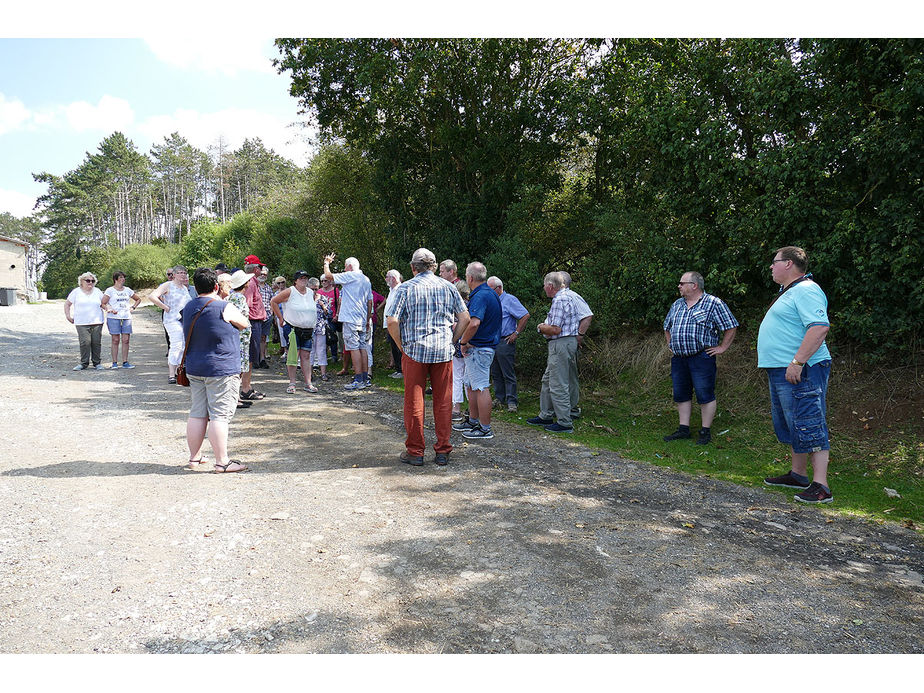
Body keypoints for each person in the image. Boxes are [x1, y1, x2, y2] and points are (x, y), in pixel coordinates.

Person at [759, 246, 834, 504]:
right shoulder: (790, 292)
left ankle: (821, 486)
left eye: (774, 261)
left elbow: (819, 327)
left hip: (804, 368)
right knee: (794, 423)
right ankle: (798, 475)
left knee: (809, 421)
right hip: (784, 368)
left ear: (789, 263)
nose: (771, 266)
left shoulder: (806, 290)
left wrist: (798, 361)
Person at [386, 247, 469, 466]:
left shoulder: (405, 288)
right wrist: (452, 340)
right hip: (442, 351)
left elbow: (392, 321)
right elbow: (465, 318)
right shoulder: (448, 287)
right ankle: (442, 451)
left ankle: (415, 451)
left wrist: (400, 344)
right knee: (443, 402)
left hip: (414, 351)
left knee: (414, 401)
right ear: (434, 266)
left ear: (413, 268)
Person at [181, 267, 250, 473]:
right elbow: (244, 324)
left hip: (195, 367)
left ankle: (194, 458)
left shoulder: (188, 307)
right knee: (219, 415)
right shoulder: (224, 306)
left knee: (197, 413)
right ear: (216, 286)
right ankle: (222, 462)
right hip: (221, 368)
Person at [662, 271, 739, 445]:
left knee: (705, 393)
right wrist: (671, 345)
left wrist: (722, 347)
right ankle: (683, 429)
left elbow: (731, 326)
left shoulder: (713, 303)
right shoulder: (677, 305)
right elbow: (667, 326)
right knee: (681, 394)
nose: (679, 286)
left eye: (682, 283)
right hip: (679, 358)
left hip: (702, 357)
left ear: (694, 285)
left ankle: (705, 431)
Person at [528, 271, 585, 433]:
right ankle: (546, 414)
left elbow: (555, 329)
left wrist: (540, 327)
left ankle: (564, 422)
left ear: (550, 286)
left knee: (558, 383)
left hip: (560, 344)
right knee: (548, 379)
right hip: (565, 343)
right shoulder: (568, 296)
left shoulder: (560, 300)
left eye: (545, 285)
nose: (544, 288)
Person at [452, 262, 502, 440]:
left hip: (479, 348)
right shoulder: (490, 293)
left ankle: (485, 428)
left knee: (481, 387)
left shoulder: (480, 295)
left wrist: (463, 342)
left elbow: (474, 323)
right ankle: (473, 421)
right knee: (470, 385)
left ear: (470, 278)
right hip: (482, 347)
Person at [323, 254, 373, 390]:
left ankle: (358, 379)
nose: (344, 270)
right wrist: (368, 319)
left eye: (345, 267)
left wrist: (326, 263)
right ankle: (364, 377)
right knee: (362, 347)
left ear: (349, 267)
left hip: (351, 318)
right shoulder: (366, 279)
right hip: (361, 318)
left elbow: (328, 276)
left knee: (353, 347)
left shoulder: (351, 276)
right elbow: (370, 301)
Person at [487, 276, 530, 413]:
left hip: (505, 340)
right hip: (492, 341)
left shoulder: (509, 299)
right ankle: (499, 398)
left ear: (499, 288)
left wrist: (516, 333)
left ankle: (512, 401)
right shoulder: (491, 301)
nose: (488, 292)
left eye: (491, 289)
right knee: (495, 372)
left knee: (507, 372)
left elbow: (524, 315)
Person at [271, 271, 319, 393]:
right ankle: (292, 383)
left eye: (305, 278)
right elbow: (274, 301)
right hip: (292, 328)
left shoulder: (310, 292)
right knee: (293, 355)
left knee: (306, 355)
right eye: (301, 278)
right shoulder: (290, 291)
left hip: (307, 329)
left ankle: (308, 383)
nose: (303, 280)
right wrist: (280, 318)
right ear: (295, 280)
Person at [149, 266, 192, 383]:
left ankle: (180, 371)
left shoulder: (184, 288)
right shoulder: (167, 285)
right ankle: (171, 374)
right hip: (172, 320)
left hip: (184, 320)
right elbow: (152, 296)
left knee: (184, 345)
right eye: (179, 273)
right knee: (176, 344)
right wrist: (165, 307)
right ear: (174, 274)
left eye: (184, 273)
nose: (182, 275)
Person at [64, 272, 106, 371]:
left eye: (92, 281)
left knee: (96, 342)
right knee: (85, 342)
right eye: (87, 280)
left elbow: (104, 303)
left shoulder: (98, 291)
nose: (90, 282)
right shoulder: (76, 292)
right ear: (81, 282)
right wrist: (68, 316)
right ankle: (84, 363)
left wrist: (110, 309)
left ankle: (97, 363)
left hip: (97, 321)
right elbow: (67, 304)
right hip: (81, 322)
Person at [101, 271, 142, 369]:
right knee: (115, 340)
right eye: (121, 277)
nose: (123, 279)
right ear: (116, 279)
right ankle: (114, 362)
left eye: (124, 277)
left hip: (126, 317)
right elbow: (103, 303)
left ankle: (125, 362)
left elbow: (138, 299)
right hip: (114, 317)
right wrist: (109, 309)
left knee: (126, 340)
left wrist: (133, 307)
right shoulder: (110, 290)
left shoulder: (127, 290)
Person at [240, 256, 268, 401]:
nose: (262, 271)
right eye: (260, 267)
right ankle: (245, 388)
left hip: (254, 323)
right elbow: (247, 306)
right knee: (249, 356)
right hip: (252, 323)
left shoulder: (251, 283)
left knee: (251, 356)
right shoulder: (251, 284)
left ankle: (247, 387)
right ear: (255, 269)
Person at [450, 281, 471, 422]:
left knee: (457, 376)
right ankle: (471, 408)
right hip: (470, 343)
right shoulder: (471, 305)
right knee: (469, 378)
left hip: (458, 342)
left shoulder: (455, 306)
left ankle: (456, 408)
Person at [309, 277, 332, 382]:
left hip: (320, 327)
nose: (314, 291)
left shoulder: (322, 298)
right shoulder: (305, 298)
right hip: (309, 328)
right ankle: (309, 374)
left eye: (316, 289)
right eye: (312, 289)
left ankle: (323, 374)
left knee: (321, 350)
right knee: (310, 351)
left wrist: (323, 306)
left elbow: (329, 313)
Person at [383, 270, 404, 379]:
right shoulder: (391, 290)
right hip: (390, 323)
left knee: (398, 347)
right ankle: (398, 369)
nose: (386, 279)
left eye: (387, 277)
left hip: (397, 324)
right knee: (393, 347)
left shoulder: (400, 290)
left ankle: (402, 370)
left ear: (394, 279)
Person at [257, 265, 274, 368]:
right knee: (255, 337)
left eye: (265, 274)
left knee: (263, 338)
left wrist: (271, 312)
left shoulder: (268, 288)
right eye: (261, 274)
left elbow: (272, 301)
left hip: (267, 316)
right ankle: (255, 358)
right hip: (256, 316)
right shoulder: (253, 286)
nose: (263, 276)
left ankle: (262, 358)